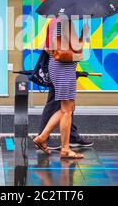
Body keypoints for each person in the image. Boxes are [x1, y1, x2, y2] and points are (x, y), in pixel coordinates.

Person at [33, 14, 90, 159]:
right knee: (66, 110)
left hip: (57, 67)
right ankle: (65, 149)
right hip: (64, 69)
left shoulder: (53, 22)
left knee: (66, 108)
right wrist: (84, 35)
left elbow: (47, 48)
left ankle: (43, 136)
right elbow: (76, 50)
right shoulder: (65, 23)